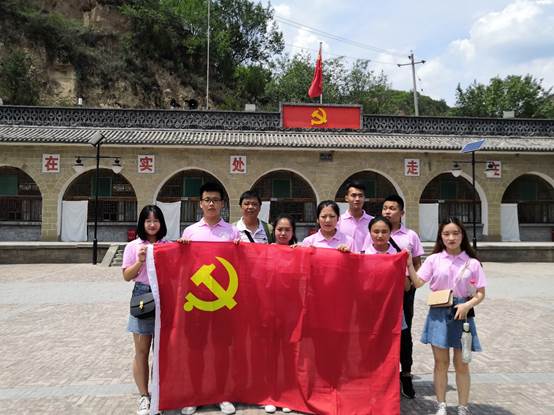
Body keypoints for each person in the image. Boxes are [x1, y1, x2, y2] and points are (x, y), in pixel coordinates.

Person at [407, 217, 486, 415]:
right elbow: (418, 283)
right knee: (441, 363)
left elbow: (480, 293)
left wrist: (467, 305)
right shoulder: (434, 260)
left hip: (463, 315)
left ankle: (462, 406)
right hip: (439, 313)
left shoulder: (472, 262)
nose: (451, 238)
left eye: (456, 233)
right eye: (446, 234)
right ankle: (441, 404)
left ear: (462, 235)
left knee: (462, 364)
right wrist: (409, 264)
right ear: (440, 237)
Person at [177, 182, 239, 415]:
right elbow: (182, 266)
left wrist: (240, 249)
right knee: (196, 350)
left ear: (222, 204)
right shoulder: (190, 232)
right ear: (200, 203)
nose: (211, 203)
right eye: (207, 199)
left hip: (224, 302)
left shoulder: (232, 232)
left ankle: (222, 394)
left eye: (216, 199)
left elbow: (241, 265)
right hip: (198, 301)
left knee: (222, 350)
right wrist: (181, 249)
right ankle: (196, 395)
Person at [122, 205, 169, 415]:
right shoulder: (133, 246)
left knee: (162, 351)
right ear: (142, 223)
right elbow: (126, 276)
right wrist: (140, 262)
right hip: (142, 295)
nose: (152, 225)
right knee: (141, 350)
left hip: (165, 297)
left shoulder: (167, 245)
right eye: (148, 221)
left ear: (161, 223)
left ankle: (161, 394)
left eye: (155, 220)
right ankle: (144, 395)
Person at [381, 194, 424, 399]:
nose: (388, 211)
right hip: (381, 293)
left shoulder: (410, 236)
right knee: (381, 332)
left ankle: (405, 373)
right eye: (385, 208)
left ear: (402, 212)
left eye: (392, 208)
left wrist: (411, 284)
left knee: (404, 333)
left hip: (404, 291)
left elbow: (417, 262)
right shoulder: (375, 232)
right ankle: (384, 374)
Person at [361, 216, 409, 330]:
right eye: (376, 231)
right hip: (369, 308)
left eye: (384, 231)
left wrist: (401, 268)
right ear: (370, 233)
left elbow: (407, 287)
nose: (380, 235)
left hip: (392, 307)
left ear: (390, 233)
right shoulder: (362, 256)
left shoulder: (398, 256)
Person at [336, 180, 373, 252]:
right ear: (346, 198)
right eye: (353, 195)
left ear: (364, 198)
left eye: (360, 196)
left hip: (366, 258)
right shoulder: (338, 221)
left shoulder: (373, 222)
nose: (357, 199)